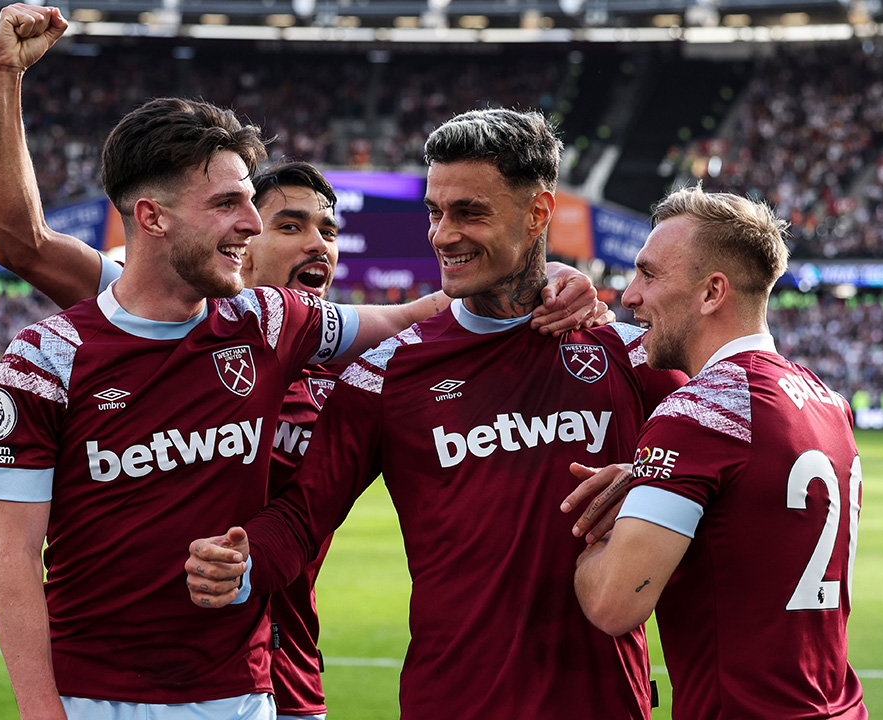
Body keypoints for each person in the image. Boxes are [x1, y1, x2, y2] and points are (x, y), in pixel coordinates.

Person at [0, 7, 605, 720]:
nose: (307, 242)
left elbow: (433, 313)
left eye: (328, 229)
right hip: (109, 684)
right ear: (155, 219)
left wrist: (548, 275)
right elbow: (22, 242)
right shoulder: (76, 341)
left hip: (271, 685)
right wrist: (4, 80)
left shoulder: (295, 332)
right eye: (280, 221)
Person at [184, 108, 686, 720]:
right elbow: (302, 515)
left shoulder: (628, 356)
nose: (443, 235)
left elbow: (727, 471)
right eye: (434, 212)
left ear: (538, 213)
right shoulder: (386, 373)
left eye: (469, 212)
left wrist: (652, 480)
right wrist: (242, 562)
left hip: (602, 701)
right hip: (452, 702)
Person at [565, 185, 868, 719]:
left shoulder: (701, 412)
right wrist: (649, 482)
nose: (629, 295)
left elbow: (615, 603)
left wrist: (591, 537)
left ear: (712, 293)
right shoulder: (828, 402)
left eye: (649, 274)